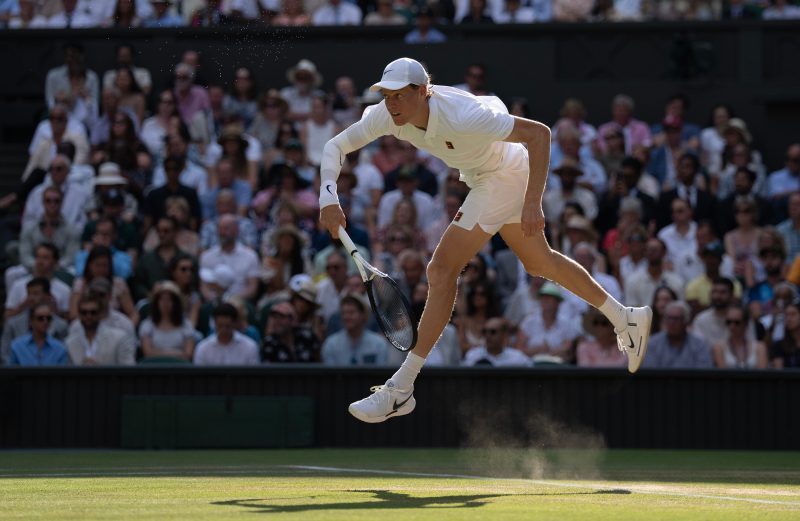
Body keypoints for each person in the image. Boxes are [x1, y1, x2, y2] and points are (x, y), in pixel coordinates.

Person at [318, 57, 652, 422]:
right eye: (387, 95)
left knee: (442, 269)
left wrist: (532, 204)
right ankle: (626, 317)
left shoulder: (463, 115)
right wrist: (328, 197)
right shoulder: (386, 114)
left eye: (400, 95)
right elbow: (334, 147)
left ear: (423, 91)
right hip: (480, 174)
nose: (392, 103)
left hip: (504, 173)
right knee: (540, 263)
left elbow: (539, 134)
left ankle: (401, 388)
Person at [65, 293, 135, 366]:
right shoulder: (70, 343)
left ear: (100, 314)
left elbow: (128, 370)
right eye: (84, 312)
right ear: (79, 314)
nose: (88, 316)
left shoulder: (119, 338)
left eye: (93, 312)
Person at [320, 293, 389, 366]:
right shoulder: (331, 344)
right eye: (344, 313)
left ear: (363, 315)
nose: (346, 317)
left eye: (351, 313)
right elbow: (330, 375)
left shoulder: (379, 344)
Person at [642, 300, 713, 369]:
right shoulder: (652, 344)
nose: (671, 322)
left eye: (676, 319)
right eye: (669, 318)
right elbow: (650, 374)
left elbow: (703, 375)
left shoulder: (700, 345)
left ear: (686, 321)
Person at [138, 281, 196, 361]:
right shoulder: (147, 325)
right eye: (162, 299)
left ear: (176, 303)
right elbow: (148, 353)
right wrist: (176, 353)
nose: (165, 303)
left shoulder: (186, 325)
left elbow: (188, 354)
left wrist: (159, 353)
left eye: (169, 299)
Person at [193, 302, 260, 365]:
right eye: (220, 326)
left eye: (227, 326)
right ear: (215, 324)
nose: (223, 330)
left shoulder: (250, 347)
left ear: (234, 324)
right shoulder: (203, 348)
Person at [712, 305, 768, 369]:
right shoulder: (719, 348)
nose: (732, 326)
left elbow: (762, 375)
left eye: (737, 322)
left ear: (745, 323)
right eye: (728, 322)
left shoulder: (760, 347)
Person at [462, 317, 530, 367]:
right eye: (484, 332)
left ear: (504, 335)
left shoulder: (518, 358)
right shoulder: (473, 356)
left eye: (493, 332)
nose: (487, 335)